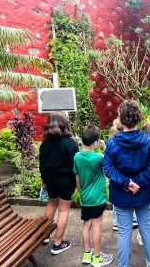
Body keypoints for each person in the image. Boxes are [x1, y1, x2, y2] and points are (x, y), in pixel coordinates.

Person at [104, 100, 150, 267]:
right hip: (144, 193)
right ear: (138, 118)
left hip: (122, 194)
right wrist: (136, 183)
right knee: (147, 229)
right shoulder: (149, 141)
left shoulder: (113, 142)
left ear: (121, 118)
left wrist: (127, 183)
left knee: (123, 233)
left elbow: (108, 167)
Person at [73, 125, 114, 266]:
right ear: (96, 141)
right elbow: (110, 164)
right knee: (97, 227)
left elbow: (77, 178)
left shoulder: (77, 157)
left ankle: (87, 254)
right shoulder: (99, 157)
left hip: (85, 197)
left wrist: (81, 192)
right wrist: (104, 148)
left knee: (86, 225)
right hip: (98, 198)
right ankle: (97, 258)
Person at [39, 113, 79, 254]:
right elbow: (77, 165)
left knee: (51, 204)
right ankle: (57, 243)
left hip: (50, 180)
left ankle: (44, 236)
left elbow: (42, 166)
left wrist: (44, 181)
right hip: (65, 181)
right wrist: (78, 183)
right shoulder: (70, 143)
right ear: (64, 124)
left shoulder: (44, 144)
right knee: (63, 209)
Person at [110, 118, 139, 231]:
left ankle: (117, 222)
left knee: (117, 201)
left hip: (117, 176)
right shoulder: (129, 140)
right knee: (131, 196)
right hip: (128, 174)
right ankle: (132, 219)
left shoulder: (112, 141)